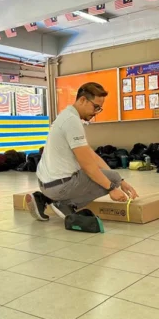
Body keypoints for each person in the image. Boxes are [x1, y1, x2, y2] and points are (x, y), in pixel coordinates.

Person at [26, 82, 138, 221]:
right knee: (110, 179)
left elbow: (91, 155)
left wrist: (120, 181)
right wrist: (112, 188)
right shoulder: (72, 122)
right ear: (83, 100)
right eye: (95, 107)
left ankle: (43, 198)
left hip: (47, 184)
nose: (96, 112)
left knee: (113, 177)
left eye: (99, 108)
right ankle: (64, 204)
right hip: (60, 186)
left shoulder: (66, 116)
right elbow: (88, 166)